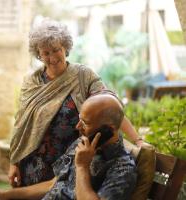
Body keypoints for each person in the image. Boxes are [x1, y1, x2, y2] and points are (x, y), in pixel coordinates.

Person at [8, 19, 142, 188]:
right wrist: (14, 162)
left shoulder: (83, 76)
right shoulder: (32, 82)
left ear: (65, 47)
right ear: (38, 54)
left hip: (71, 163)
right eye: (46, 53)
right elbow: (21, 124)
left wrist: (137, 140)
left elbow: (111, 109)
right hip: (32, 165)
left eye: (56, 50)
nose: (52, 57)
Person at [0, 94, 137, 200]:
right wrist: (7, 195)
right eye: (80, 120)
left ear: (108, 129)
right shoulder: (83, 144)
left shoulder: (122, 168)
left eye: (86, 123)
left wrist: (82, 167)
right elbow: (54, 184)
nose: (78, 127)